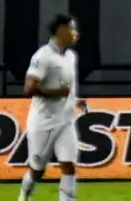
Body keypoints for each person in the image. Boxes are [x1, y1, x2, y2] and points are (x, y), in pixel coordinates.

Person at [19, 14, 88, 201]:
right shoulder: (43, 56)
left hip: (65, 120)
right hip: (44, 121)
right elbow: (29, 88)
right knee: (37, 169)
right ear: (61, 30)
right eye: (72, 28)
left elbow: (67, 89)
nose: (75, 33)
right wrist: (56, 93)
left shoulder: (71, 56)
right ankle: (24, 196)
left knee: (68, 164)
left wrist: (75, 101)